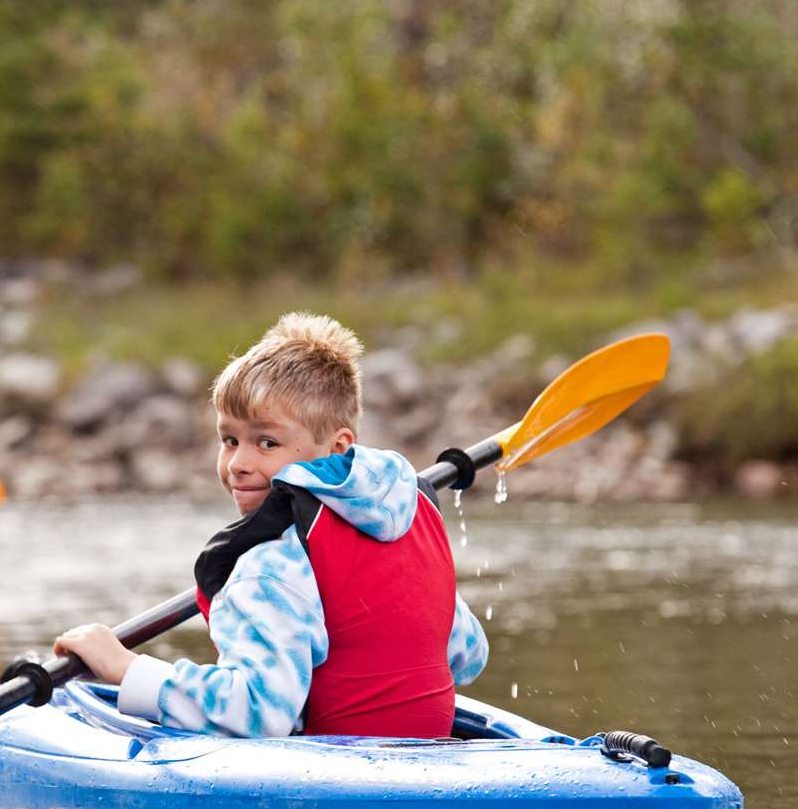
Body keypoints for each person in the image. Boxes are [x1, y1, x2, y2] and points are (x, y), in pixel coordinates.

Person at [53, 313, 488, 739]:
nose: (239, 464)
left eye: (267, 443)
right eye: (229, 440)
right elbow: (467, 655)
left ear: (337, 448)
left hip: (335, 786)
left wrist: (128, 670)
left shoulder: (271, 565)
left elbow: (259, 715)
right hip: (427, 758)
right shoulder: (415, 522)